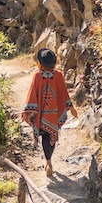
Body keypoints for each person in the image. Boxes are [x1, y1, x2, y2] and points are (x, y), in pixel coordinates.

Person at [21, 48, 78, 178]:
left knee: (44, 136)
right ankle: (49, 162)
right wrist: (71, 108)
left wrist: (26, 111)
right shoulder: (58, 76)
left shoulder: (37, 76)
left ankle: (47, 162)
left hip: (40, 114)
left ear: (40, 64)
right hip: (54, 114)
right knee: (51, 135)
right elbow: (64, 93)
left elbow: (32, 93)